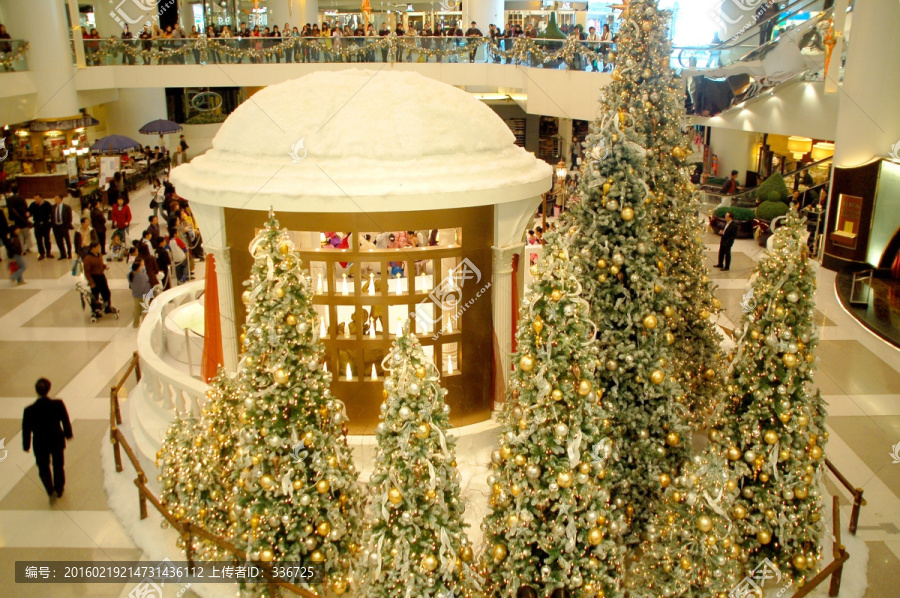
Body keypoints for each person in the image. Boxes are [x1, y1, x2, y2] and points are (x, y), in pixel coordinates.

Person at [22, 378, 73, 500]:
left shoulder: (29, 410)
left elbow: (26, 430)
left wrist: (26, 445)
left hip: (40, 443)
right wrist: (68, 434)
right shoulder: (58, 404)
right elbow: (65, 421)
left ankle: (50, 489)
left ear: (36, 391)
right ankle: (59, 488)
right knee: (58, 465)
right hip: (56, 440)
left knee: (43, 467)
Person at [83, 242, 115, 312]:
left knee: (106, 293)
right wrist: (91, 282)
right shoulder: (88, 258)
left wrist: (104, 266)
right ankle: (95, 309)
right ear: (93, 248)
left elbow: (100, 263)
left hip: (101, 276)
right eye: (98, 247)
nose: (99, 249)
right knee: (95, 295)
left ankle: (107, 307)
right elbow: (87, 272)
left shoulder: (99, 254)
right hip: (94, 278)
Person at [6, 184, 32, 254]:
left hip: (16, 220)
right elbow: (25, 208)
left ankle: (22, 249)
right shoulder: (21, 198)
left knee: (20, 236)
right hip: (23, 219)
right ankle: (26, 249)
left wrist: (11, 218)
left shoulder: (9, 199)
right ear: (18, 190)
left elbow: (9, 210)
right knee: (27, 235)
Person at [28, 194, 53, 260]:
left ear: (41, 198)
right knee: (39, 239)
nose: (36, 200)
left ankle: (48, 252)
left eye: (37, 199)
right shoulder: (33, 205)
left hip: (45, 224)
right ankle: (41, 253)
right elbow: (29, 212)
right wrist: (28, 214)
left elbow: (51, 213)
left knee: (47, 239)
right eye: (35, 199)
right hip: (37, 224)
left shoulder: (47, 204)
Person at [128, 258, 152, 328]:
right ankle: (145, 324)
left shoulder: (130, 275)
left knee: (137, 309)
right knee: (145, 310)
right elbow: (147, 280)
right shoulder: (142, 275)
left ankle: (135, 324)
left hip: (136, 294)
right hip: (144, 294)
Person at [51, 195, 73, 260]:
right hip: (56, 227)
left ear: (61, 199)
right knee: (59, 241)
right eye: (55, 199)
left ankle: (69, 253)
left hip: (64, 226)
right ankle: (63, 254)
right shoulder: (53, 207)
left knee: (67, 240)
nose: (55, 200)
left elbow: (70, 217)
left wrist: (67, 225)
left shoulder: (67, 207)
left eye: (57, 199)